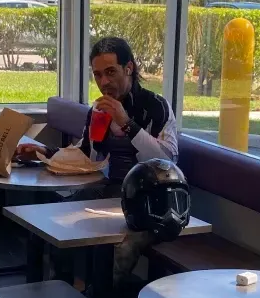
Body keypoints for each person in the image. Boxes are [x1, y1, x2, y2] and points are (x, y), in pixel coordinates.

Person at [14, 36, 179, 279]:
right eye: (98, 74)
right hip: (110, 189)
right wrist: (44, 154)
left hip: (151, 201)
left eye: (111, 72)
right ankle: (69, 291)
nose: (104, 82)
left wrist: (126, 123)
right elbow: (85, 154)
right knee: (52, 221)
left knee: (123, 249)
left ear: (129, 68)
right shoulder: (98, 111)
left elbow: (167, 161)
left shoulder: (156, 106)